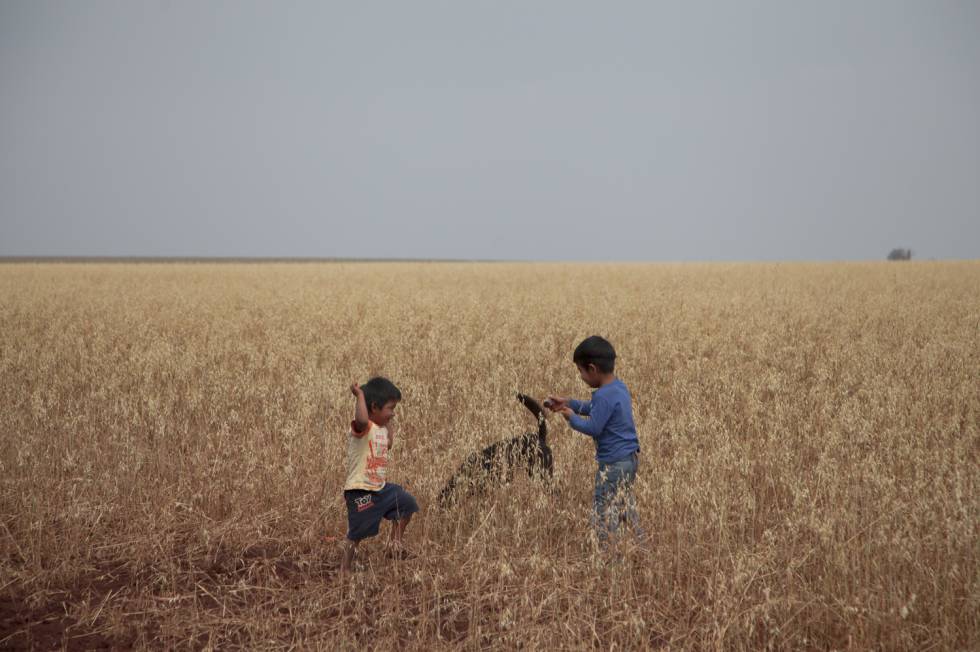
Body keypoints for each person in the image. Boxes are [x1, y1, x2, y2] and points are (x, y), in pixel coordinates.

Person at [548, 336, 643, 547]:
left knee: (603, 510)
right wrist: (569, 402)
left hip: (612, 464)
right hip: (629, 460)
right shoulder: (618, 387)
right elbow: (596, 410)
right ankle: (640, 545)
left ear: (592, 369)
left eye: (581, 371)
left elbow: (593, 427)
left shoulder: (602, 396)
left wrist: (571, 417)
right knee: (625, 504)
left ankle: (609, 554)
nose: (581, 376)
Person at [340, 377, 419, 574]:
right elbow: (361, 419)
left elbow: (389, 443)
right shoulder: (363, 428)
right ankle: (345, 568)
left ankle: (395, 546)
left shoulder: (381, 430)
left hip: (380, 488)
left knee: (406, 503)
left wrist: (389, 422)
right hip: (361, 490)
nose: (393, 413)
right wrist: (360, 396)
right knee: (357, 531)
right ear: (374, 407)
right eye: (390, 408)